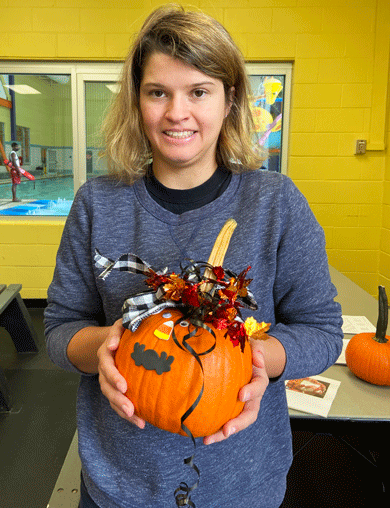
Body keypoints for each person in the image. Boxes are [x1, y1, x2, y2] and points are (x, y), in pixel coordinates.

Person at [44, 5, 343, 508]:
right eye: (157, 92)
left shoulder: (275, 204)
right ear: (137, 102)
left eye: (198, 91)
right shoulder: (97, 204)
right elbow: (58, 329)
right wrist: (101, 347)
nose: (176, 112)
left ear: (229, 101)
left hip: (244, 485)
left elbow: (321, 331)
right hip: (121, 486)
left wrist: (254, 361)